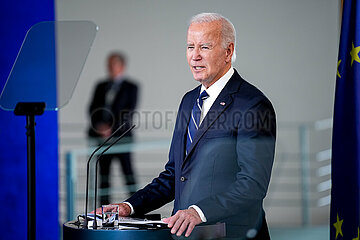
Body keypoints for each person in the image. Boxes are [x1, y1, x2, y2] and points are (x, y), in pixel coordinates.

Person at [100, 13, 276, 239]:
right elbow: (175, 175)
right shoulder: (189, 100)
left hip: (231, 234)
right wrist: (130, 207)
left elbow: (252, 184)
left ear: (228, 51)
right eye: (190, 47)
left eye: (204, 47)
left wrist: (198, 212)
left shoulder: (253, 105)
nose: (195, 56)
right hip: (186, 235)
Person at [88, 52, 138, 205]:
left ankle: (136, 207)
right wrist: (99, 127)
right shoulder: (100, 85)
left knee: (128, 174)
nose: (109, 67)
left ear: (122, 66)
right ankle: (103, 211)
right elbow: (91, 108)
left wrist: (111, 129)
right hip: (102, 139)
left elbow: (128, 111)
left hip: (122, 137)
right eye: (108, 64)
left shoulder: (131, 87)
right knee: (103, 176)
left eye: (113, 64)